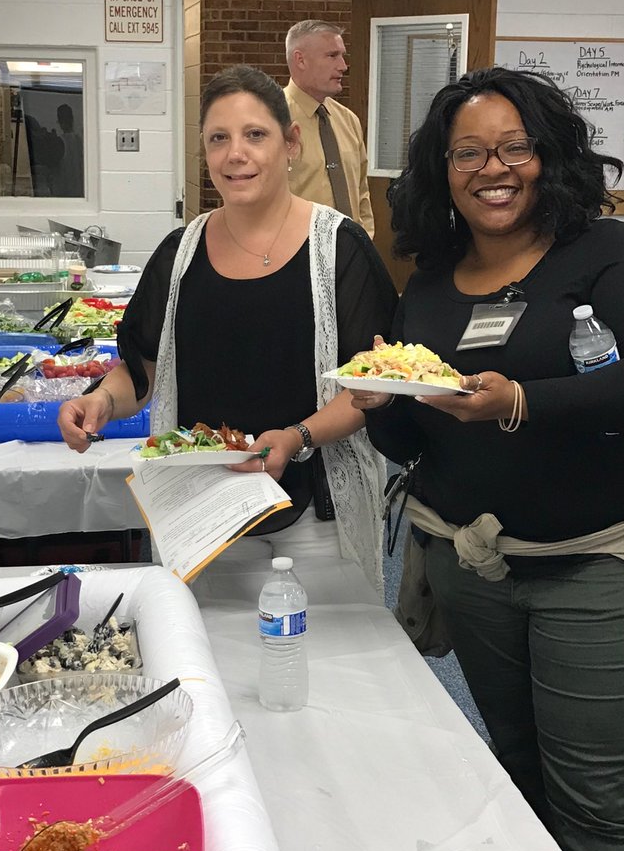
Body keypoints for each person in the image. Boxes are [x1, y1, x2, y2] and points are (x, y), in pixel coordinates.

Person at [351, 65, 624, 851]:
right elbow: (419, 446)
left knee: (589, 802)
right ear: (443, 168)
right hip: (477, 568)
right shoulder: (430, 280)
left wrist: (521, 402)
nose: (493, 167)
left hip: (602, 565)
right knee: (512, 769)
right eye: (469, 151)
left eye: (514, 147)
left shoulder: (609, 252)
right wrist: (387, 401)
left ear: (545, 156)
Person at [58, 64, 395, 592]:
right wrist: (101, 401)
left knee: (323, 661)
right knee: (204, 664)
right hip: (201, 515)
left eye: (255, 135)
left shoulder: (339, 249)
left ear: (291, 144)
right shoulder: (179, 254)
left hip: (313, 518)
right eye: (219, 138)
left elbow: (368, 386)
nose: (235, 154)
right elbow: (142, 366)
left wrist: (296, 437)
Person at [285, 20, 375, 238]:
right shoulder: (270, 120)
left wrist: (365, 242)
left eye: (342, 55)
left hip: (350, 257)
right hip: (294, 257)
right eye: (332, 56)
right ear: (300, 60)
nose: (343, 65)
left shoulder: (348, 120)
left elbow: (361, 193)